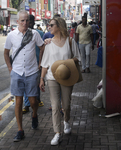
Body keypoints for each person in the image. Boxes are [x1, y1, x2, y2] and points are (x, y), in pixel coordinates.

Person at [4, 10, 44, 142]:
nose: (25, 23)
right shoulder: (11, 35)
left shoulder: (35, 34)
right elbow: (6, 52)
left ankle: (34, 114)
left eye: (27, 20)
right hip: (17, 73)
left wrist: (40, 63)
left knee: (33, 101)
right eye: (22, 20)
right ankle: (20, 130)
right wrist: (10, 68)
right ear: (17, 22)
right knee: (18, 102)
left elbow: (42, 47)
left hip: (32, 72)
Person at [39, 17, 81, 145]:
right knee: (56, 106)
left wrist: (65, 63)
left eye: (51, 25)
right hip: (52, 78)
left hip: (67, 76)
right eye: (48, 25)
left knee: (66, 105)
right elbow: (45, 64)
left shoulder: (70, 41)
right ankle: (57, 133)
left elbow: (77, 57)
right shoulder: (49, 44)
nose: (49, 27)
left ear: (59, 26)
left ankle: (66, 121)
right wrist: (41, 79)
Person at [22, 15, 44, 114]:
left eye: (29, 22)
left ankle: (37, 100)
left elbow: (43, 49)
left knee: (37, 84)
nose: (27, 24)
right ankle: (27, 104)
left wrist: (41, 63)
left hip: (37, 64)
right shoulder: (21, 34)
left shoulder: (39, 33)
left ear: (33, 22)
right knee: (26, 85)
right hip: (26, 65)